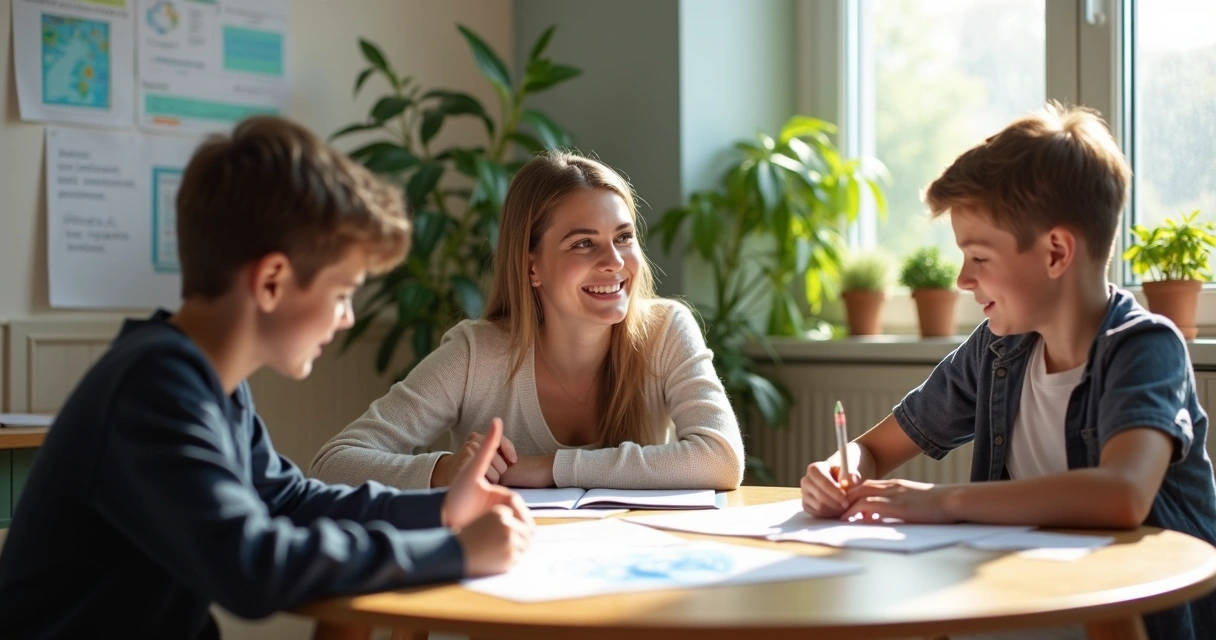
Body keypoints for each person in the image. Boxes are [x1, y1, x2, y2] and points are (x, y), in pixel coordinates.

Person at [0, 117, 534, 639]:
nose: (347, 317)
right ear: (273, 281)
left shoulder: (205, 383)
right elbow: (251, 564)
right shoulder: (153, 387)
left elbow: (288, 500)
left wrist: (441, 509)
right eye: (343, 292)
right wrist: (456, 552)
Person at [800, 102, 1216, 640]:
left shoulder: (1144, 347)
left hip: (1122, 622)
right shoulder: (998, 350)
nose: (961, 280)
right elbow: (876, 448)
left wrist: (944, 502)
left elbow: (1122, 495)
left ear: (1056, 252)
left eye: (979, 257)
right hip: (1019, 607)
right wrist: (841, 469)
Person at [310, 150, 744, 491]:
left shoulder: (666, 330)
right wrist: (446, 471)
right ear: (531, 266)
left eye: (623, 238)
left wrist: (551, 468)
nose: (614, 262)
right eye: (582, 244)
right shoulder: (475, 354)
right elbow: (335, 463)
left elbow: (721, 458)